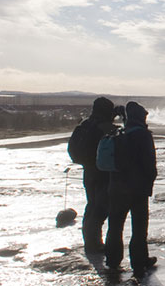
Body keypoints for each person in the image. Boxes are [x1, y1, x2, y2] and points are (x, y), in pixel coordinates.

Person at [105, 102, 158, 277]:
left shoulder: (119, 133)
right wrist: (149, 181)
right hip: (137, 189)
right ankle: (139, 262)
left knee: (115, 225)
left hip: (116, 187)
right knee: (139, 227)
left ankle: (112, 261)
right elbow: (149, 164)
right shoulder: (143, 135)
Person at [67, 97, 118, 254]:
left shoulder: (85, 125)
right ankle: (94, 244)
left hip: (88, 171)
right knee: (100, 208)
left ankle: (90, 242)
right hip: (102, 173)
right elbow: (118, 143)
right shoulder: (104, 127)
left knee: (92, 205)